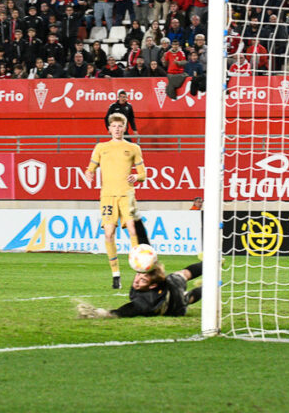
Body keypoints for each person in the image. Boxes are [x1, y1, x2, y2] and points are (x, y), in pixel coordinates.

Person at [85, 113, 146, 290]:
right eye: (114, 126)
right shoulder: (101, 147)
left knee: (133, 230)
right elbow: (90, 168)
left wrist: (136, 176)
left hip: (127, 195)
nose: (117, 129)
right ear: (109, 129)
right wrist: (89, 173)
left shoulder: (133, 148)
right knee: (109, 233)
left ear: (125, 128)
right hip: (108, 196)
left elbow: (143, 174)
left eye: (120, 126)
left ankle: (138, 272)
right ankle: (116, 275)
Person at [77, 260, 202, 318]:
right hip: (168, 299)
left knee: (185, 294)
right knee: (184, 282)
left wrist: (102, 313)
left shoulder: (146, 302)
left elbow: (128, 310)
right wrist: (137, 221)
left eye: (143, 280)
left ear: (152, 285)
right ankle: (208, 268)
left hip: (175, 302)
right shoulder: (148, 288)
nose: (136, 281)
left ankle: (209, 272)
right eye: (138, 275)